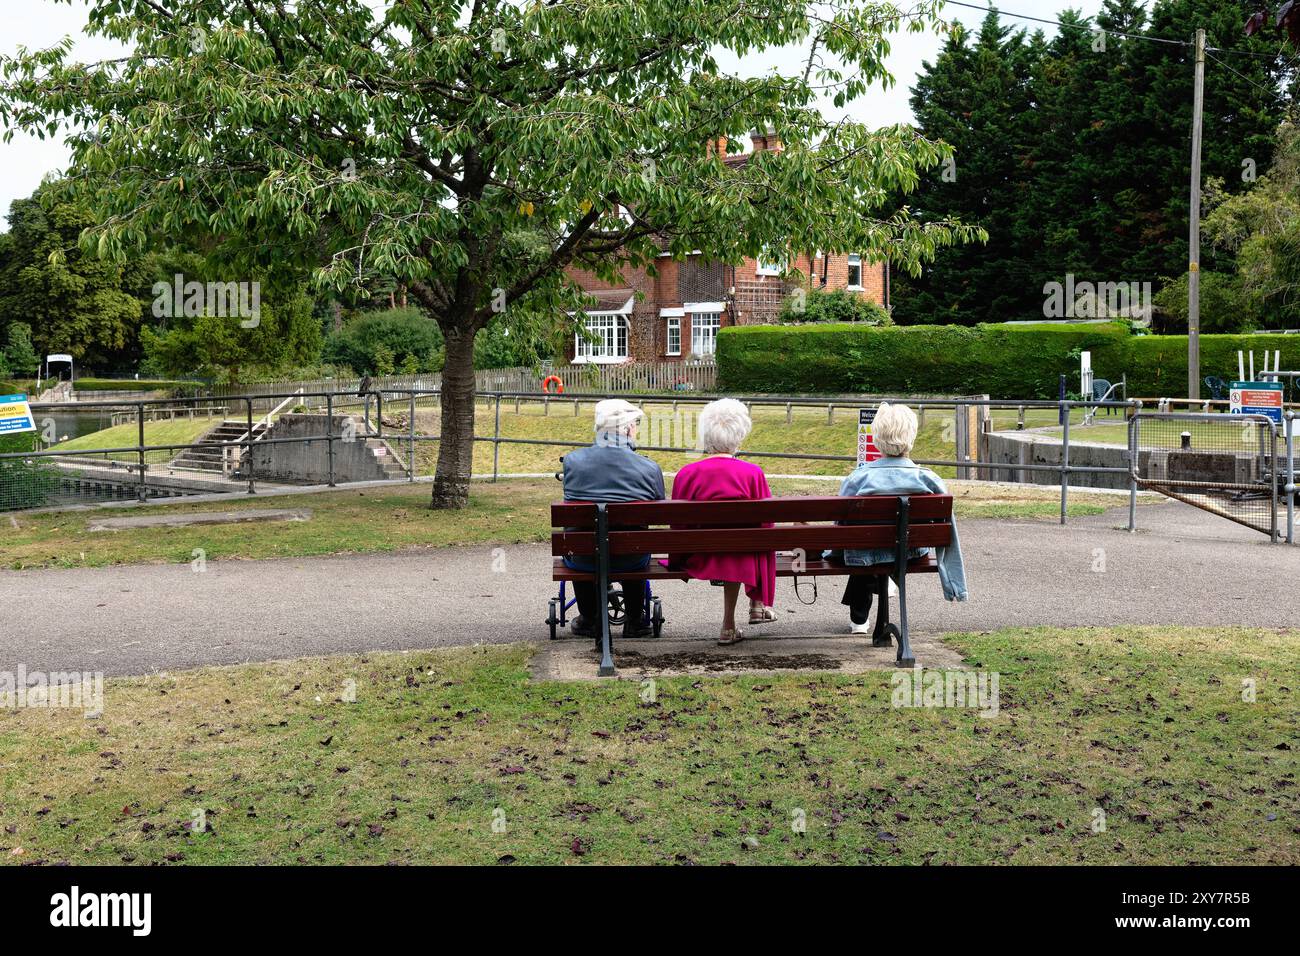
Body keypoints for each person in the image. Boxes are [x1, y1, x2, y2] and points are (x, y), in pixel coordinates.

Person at [835, 402, 967, 633]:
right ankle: (878, 599)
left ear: (876, 439)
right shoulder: (929, 480)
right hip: (910, 551)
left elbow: (841, 526)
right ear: (912, 437)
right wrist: (954, 585)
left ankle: (859, 619)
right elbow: (949, 533)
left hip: (862, 555)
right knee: (886, 545)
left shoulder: (857, 479)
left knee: (864, 546)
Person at [667, 399, 776, 645]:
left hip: (700, 554)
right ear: (739, 435)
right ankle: (739, 617)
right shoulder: (753, 473)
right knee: (748, 546)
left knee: (737, 546)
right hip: (742, 556)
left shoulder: (687, 473)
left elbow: (678, 527)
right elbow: (766, 526)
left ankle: (741, 615)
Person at [562, 399, 665, 640]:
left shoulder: (572, 462)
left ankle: (588, 618)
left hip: (584, 557)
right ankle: (636, 620)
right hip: (632, 558)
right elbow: (659, 503)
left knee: (584, 541)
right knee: (634, 544)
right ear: (629, 429)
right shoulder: (649, 468)